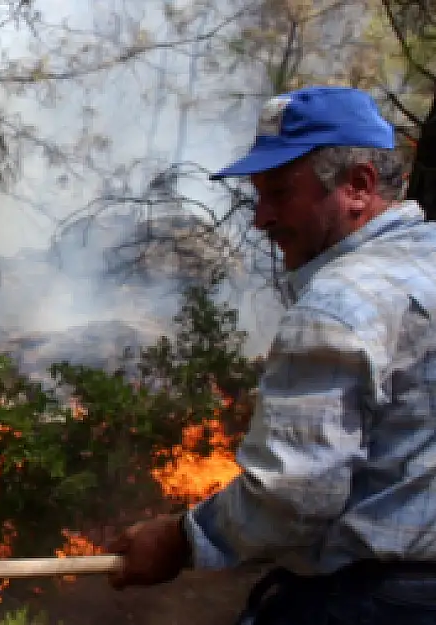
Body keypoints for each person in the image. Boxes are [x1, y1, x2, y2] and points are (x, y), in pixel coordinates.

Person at [107, 85, 436, 623]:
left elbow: (296, 496)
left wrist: (181, 539)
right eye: (259, 196)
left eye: (280, 193)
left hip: (372, 604)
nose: (261, 219)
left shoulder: (340, 302)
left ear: (358, 185)